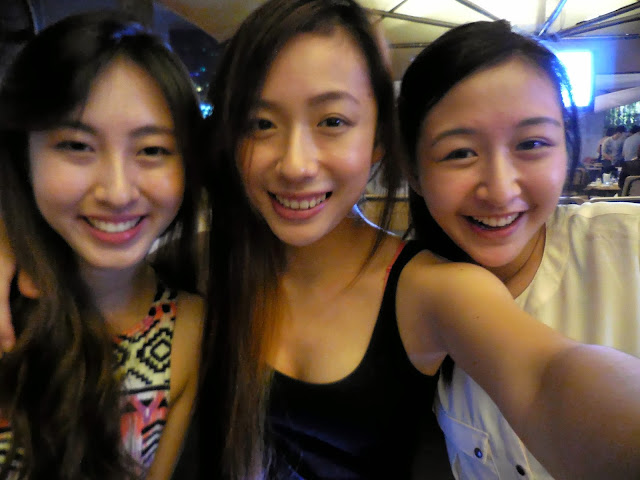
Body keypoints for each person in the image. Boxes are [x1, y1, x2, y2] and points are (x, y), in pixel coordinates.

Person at [201, 1, 640, 479]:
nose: (296, 165)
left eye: (332, 121)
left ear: (379, 140)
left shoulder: (433, 288)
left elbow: (546, 375)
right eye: (261, 123)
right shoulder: (198, 268)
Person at [398, 20, 640, 479]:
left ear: (568, 150)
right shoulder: (407, 302)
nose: (500, 190)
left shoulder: (629, 248)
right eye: (460, 152)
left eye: (531, 144)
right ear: (413, 170)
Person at [0, 11, 204, 480]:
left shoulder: (188, 329)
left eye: (152, 150)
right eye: (76, 145)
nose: (117, 192)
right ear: (22, 154)